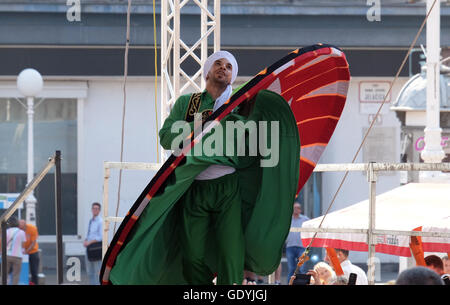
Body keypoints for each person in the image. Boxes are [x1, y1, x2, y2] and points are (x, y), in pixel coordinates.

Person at [107, 50, 300, 285]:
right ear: (207, 72)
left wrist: (236, 124)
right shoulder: (187, 104)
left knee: (232, 254)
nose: (223, 68)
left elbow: (258, 138)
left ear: (232, 77)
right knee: (192, 256)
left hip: (228, 187)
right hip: (193, 187)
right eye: (218, 64)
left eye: (229, 67)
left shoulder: (241, 103)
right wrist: (199, 127)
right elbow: (167, 138)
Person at [285, 202, 309, 284]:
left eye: (298, 208)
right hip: (290, 247)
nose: (296, 209)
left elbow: (311, 229)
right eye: (294, 208)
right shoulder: (287, 218)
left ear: (300, 209)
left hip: (302, 247)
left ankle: (303, 283)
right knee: (291, 268)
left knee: (302, 268)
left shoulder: (305, 219)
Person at [2, 217, 26, 285]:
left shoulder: (6, 231)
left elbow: (3, 243)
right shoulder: (22, 232)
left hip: (7, 255)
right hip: (18, 256)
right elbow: (23, 245)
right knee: (16, 274)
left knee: (4, 273)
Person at [84, 202, 102, 285]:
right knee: (90, 272)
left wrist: (89, 242)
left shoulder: (100, 221)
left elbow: (100, 237)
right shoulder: (91, 221)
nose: (95, 210)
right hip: (89, 249)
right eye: (94, 208)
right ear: (91, 210)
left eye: (97, 209)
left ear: (99, 210)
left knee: (97, 272)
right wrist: (86, 240)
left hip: (96, 249)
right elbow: (90, 234)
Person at [18, 219, 40, 285]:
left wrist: (26, 251)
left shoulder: (32, 228)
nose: (20, 228)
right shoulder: (18, 229)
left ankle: (35, 283)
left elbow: (33, 243)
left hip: (32, 252)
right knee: (20, 270)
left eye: (21, 227)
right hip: (21, 252)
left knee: (34, 271)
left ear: (25, 225)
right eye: (19, 227)